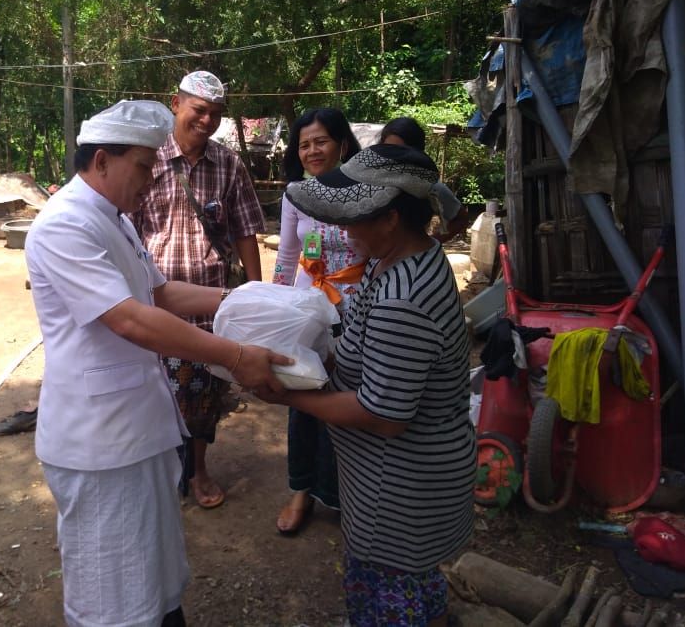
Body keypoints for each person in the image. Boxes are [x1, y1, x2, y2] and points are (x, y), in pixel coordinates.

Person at [28, 99, 288, 627]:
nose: (151, 179)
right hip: (99, 444)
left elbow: (160, 293)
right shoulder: (64, 225)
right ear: (102, 161)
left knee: (150, 577)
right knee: (112, 593)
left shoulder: (113, 219)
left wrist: (238, 300)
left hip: (134, 429)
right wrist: (236, 355)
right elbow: (132, 319)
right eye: (144, 167)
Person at [256, 143, 475, 627]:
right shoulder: (402, 259)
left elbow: (384, 416)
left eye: (353, 218)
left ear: (392, 218)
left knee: (393, 600)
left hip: (399, 493)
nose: (344, 229)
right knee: (416, 591)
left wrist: (288, 395)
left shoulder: (403, 299)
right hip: (403, 482)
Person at [133, 71, 265, 509]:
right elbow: (125, 229)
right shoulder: (145, 160)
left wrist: (255, 291)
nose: (207, 121)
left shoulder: (228, 164)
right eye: (199, 110)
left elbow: (246, 230)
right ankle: (158, 470)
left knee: (204, 393)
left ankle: (198, 469)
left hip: (211, 301)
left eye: (215, 115)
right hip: (153, 302)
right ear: (176, 103)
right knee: (152, 391)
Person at [271, 108, 366, 535]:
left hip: (359, 310)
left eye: (320, 141)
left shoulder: (365, 190)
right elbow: (289, 256)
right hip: (309, 311)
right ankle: (301, 491)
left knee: (351, 400)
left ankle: (347, 494)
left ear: (341, 144)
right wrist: (276, 301)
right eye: (304, 143)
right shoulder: (295, 195)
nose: (311, 150)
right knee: (305, 394)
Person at [380, 117, 469, 242]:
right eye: (389, 150)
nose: (395, 157)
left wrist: (432, 243)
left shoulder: (428, 185)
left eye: (402, 151)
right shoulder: (370, 179)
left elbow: (461, 219)